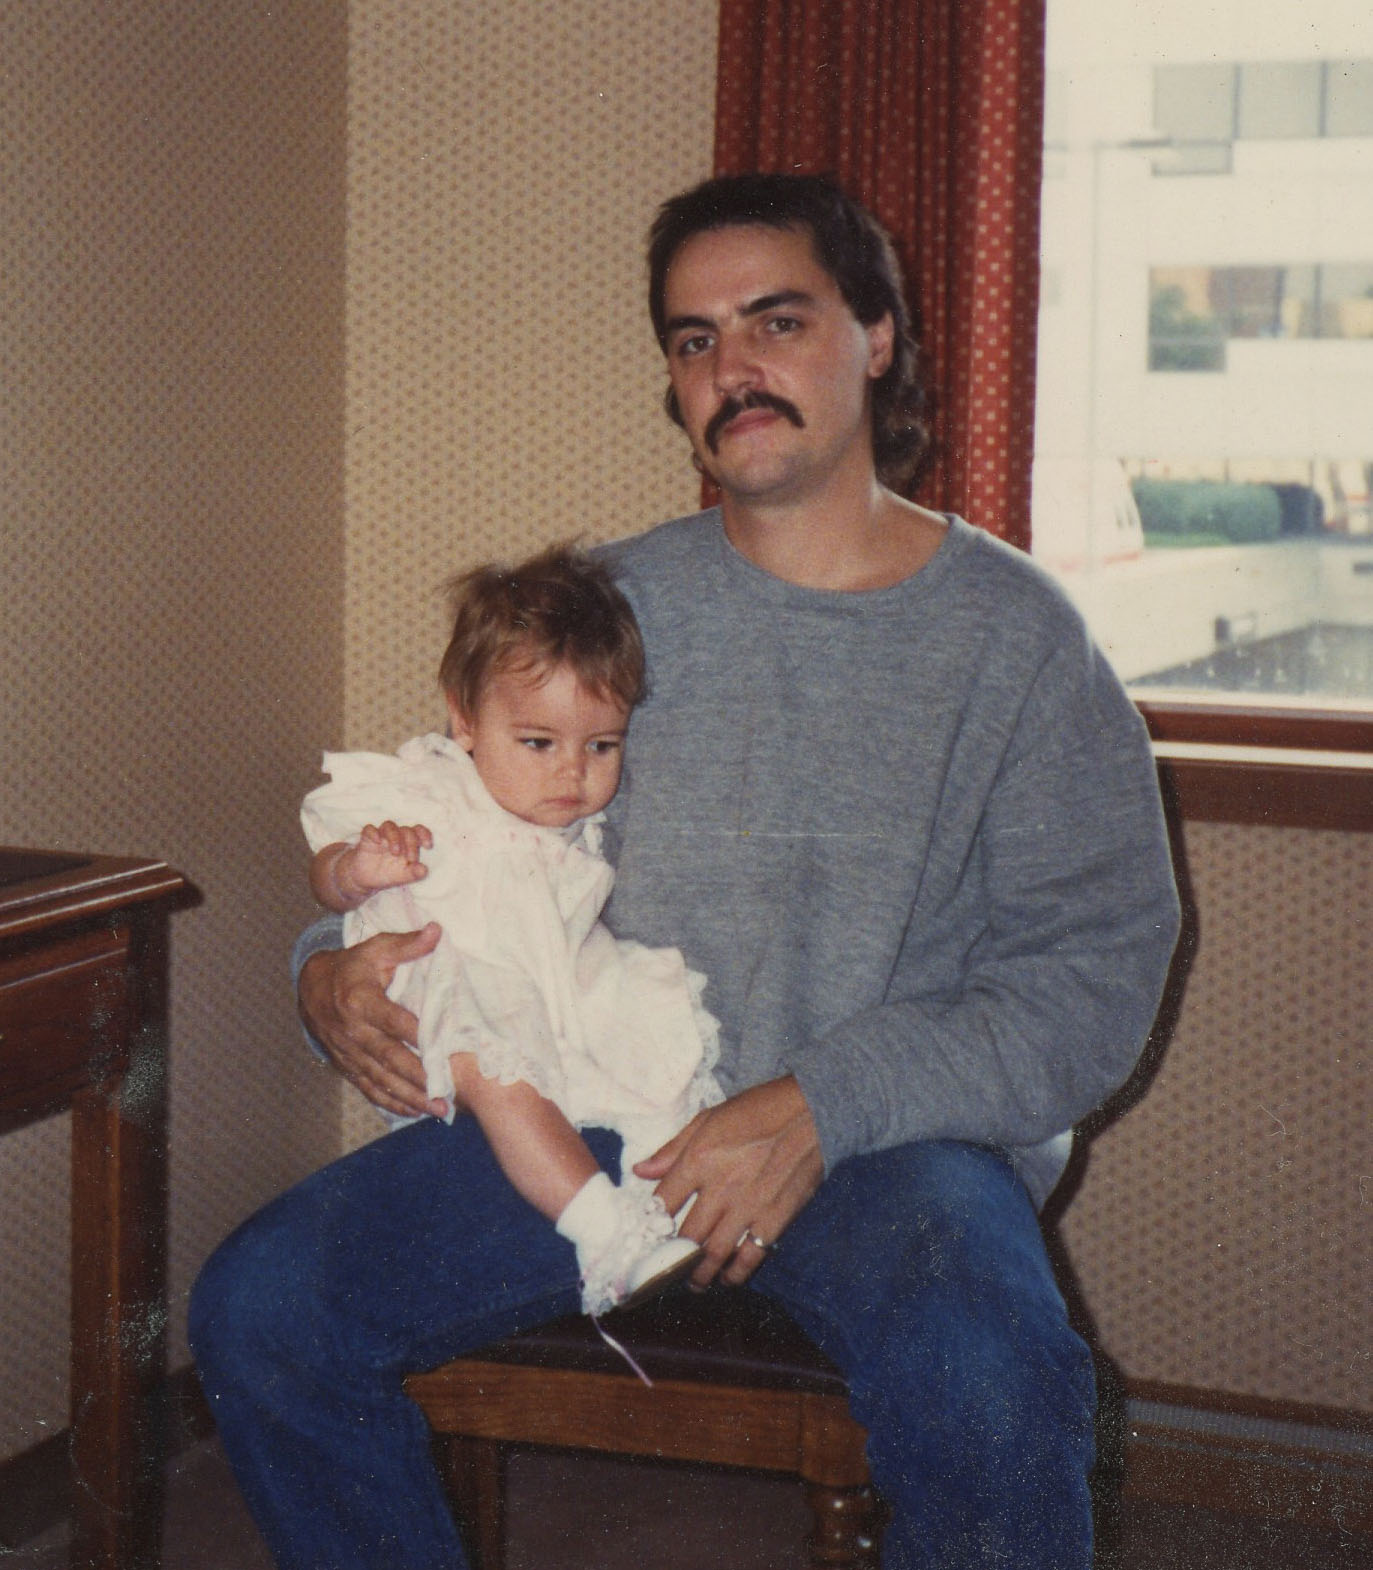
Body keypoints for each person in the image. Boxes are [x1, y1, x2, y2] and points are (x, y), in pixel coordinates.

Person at [190, 172, 1181, 1569]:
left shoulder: (1019, 641)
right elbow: (453, 829)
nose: (732, 367)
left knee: (996, 1385)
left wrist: (821, 1101)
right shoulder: (600, 609)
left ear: (876, 335)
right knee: (261, 1309)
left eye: (776, 320)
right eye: (694, 338)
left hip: (889, 1143)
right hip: (602, 1114)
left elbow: (1089, 983)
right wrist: (329, 976)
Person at [300, 545, 719, 1316]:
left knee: (654, 1038)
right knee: (501, 1077)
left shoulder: (571, 825)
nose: (571, 773)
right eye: (538, 743)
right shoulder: (425, 789)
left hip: (557, 979)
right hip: (457, 978)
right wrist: (358, 868)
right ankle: (604, 1234)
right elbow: (324, 872)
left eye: (601, 746)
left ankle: (656, 1211)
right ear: (464, 720)